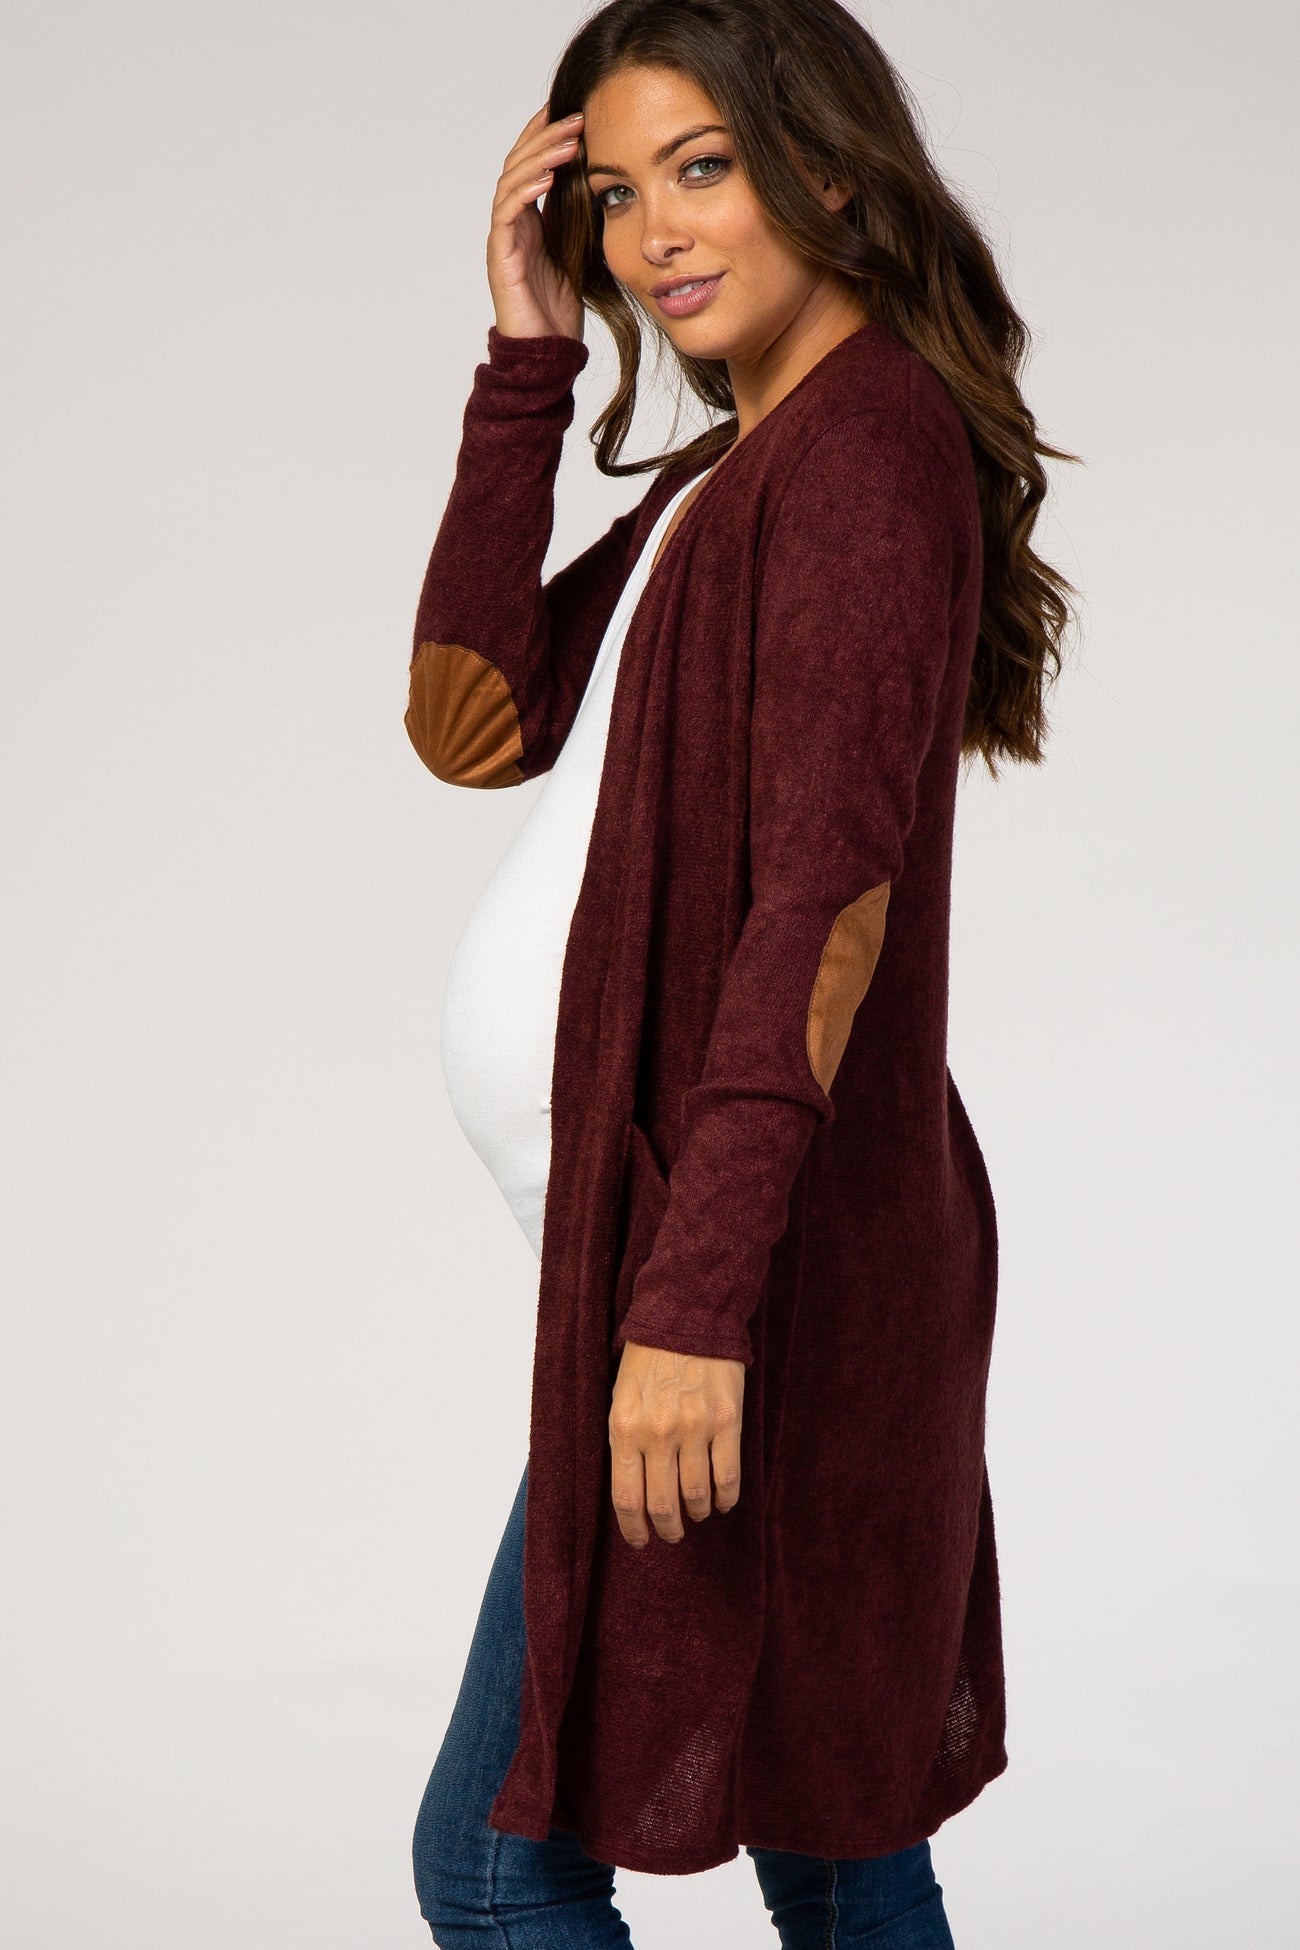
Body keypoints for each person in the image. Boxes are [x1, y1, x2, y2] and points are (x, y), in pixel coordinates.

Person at [405, 1, 1078, 1942]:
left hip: (746, 1282)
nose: (653, 235)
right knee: (837, 1840)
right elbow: (466, 717)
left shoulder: (859, 456)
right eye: (616, 193)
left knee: (497, 1868)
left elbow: (820, 908)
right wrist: (527, 358)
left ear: (834, 174)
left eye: (701, 168)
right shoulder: (744, 462)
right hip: (718, 1263)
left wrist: (692, 1308)